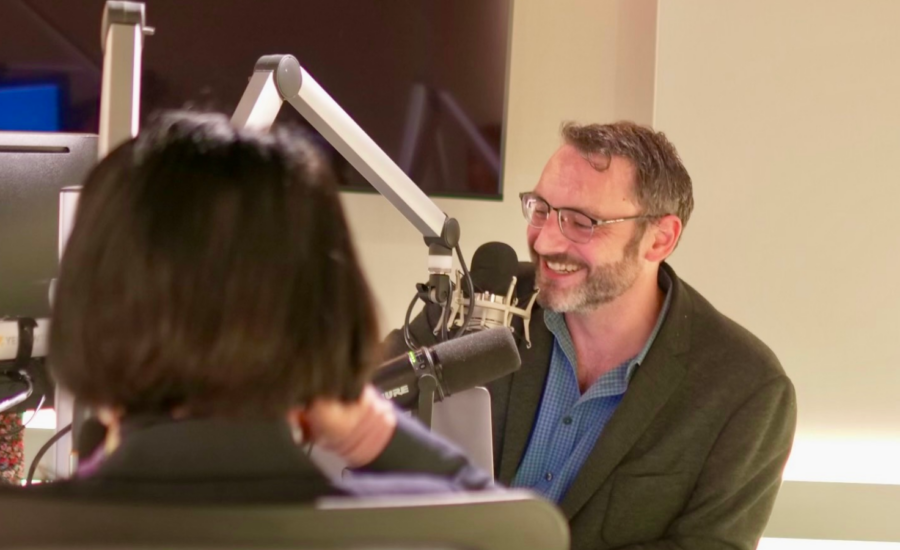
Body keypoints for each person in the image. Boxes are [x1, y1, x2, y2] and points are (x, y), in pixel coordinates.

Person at [10, 111, 491, 503]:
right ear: (329, 314)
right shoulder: (430, 534)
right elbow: (519, 526)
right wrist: (365, 426)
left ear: (86, 310)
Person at [388, 121, 797, 550]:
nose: (544, 242)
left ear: (659, 239)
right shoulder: (477, 303)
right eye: (541, 209)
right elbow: (357, 412)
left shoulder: (745, 390)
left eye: (581, 222)